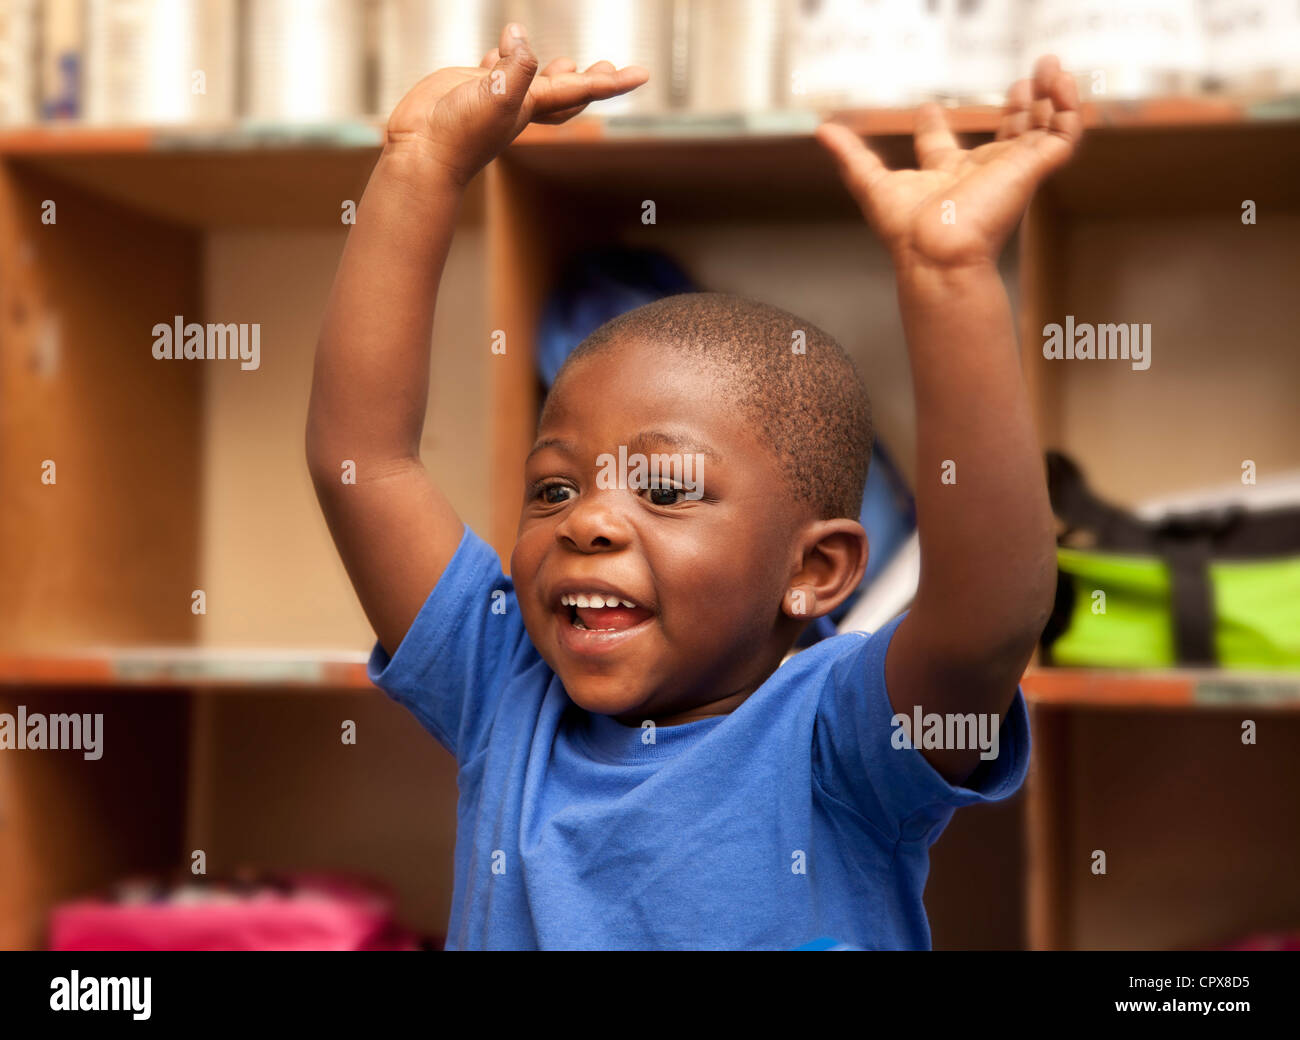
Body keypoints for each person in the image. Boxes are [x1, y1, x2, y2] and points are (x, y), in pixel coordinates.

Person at [306, 22, 1083, 950]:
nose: (588, 519)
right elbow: (362, 460)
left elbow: (991, 619)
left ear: (818, 569)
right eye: (552, 491)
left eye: (665, 491)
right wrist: (419, 164)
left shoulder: (838, 734)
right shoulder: (504, 685)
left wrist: (950, 279)